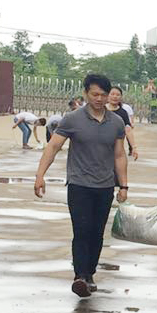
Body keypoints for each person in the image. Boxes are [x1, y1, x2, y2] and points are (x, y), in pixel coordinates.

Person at [33, 73, 129, 298]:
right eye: (94, 94)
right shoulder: (72, 119)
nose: (99, 99)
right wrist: (40, 175)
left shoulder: (116, 122)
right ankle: (80, 276)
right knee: (82, 230)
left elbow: (119, 155)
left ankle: (90, 273)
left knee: (97, 232)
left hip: (105, 186)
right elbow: (53, 147)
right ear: (86, 93)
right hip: (79, 184)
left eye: (103, 95)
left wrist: (123, 185)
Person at [107, 87, 139, 160]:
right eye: (112, 94)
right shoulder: (101, 110)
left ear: (121, 97)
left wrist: (134, 147)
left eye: (118, 95)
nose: (115, 96)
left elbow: (128, 130)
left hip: (116, 149)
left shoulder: (123, 113)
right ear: (107, 95)